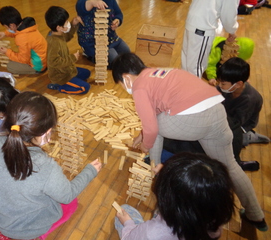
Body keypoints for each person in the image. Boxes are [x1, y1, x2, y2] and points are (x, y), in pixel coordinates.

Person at [112, 52, 268, 231]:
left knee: (154, 133)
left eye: (121, 84)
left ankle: (156, 171)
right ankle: (256, 215)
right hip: (216, 111)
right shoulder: (158, 72)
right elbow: (155, 111)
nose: (125, 88)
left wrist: (145, 145)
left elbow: (152, 127)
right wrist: (143, 133)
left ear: (126, 78)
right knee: (231, 166)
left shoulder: (138, 86)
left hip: (194, 117)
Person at [0, 91, 102, 239]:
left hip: (0, 218)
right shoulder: (45, 167)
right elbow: (67, 196)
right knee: (72, 203)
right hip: (28, 228)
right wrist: (90, 171)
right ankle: (34, 236)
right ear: (46, 133)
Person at [115, 152, 235, 240]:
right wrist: (168, 174)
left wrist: (128, 224)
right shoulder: (211, 221)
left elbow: (130, 238)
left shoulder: (153, 233)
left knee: (125, 210)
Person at [217, 57, 270, 146]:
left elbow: (237, 123)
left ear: (238, 84)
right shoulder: (228, 87)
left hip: (241, 124)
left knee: (226, 140)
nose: (219, 85)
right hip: (227, 114)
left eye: (223, 84)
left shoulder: (249, 100)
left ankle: (248, 137)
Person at [181, 0, 239, 78]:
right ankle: (192, 89)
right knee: (196, 68)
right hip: (204, 26)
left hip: (191, 22)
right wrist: (232, 31)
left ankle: (183, 88)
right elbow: (229, 14)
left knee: (186, 64)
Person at [45, 6, 91, 95]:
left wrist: (73, 24)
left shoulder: (58, 34)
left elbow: (67, 36)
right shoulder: (53, 42)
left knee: (87, 73)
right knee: (84, 88)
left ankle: (72, 81)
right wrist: (72, 58)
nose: (67, 23)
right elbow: (53, 62)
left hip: (67, 69)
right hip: (61, 77)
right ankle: (59, 86)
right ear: (59, 27)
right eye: (66, 22)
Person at [76, 0, 130, 69]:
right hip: (93, 43)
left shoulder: (111, 1)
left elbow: (118, 13)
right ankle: (90, 55)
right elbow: (81, 7)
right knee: (113, 60)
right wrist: (93, 2)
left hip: (111, 38)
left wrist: (117, 20)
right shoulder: (83, 2)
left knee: (126, 52)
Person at [0, 6, 47, 74]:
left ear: (11, 26)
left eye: (6, 27)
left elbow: (23, 59)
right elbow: (17, 32)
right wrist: (5, 33)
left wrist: (7, 52)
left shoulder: (21, 38)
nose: (7, 29)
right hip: (44, 59)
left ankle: (35, 71)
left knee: (10, 66)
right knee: (13, 58)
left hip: (39, 66)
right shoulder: (27, 26)